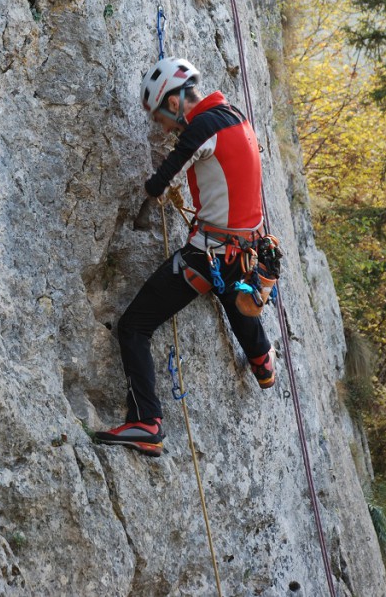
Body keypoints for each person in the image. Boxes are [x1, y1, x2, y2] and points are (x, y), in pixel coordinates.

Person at [95, 57, 276, 457]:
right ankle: (262, 359)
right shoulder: (234, 115)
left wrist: (148, 186)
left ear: (174, 103)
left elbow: (160, 183)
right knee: (231, 288)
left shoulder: (202, 126)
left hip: (208, 254)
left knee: (134, 327)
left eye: (159, 116)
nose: (161, 126)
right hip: (245, 249)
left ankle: (145, 421)